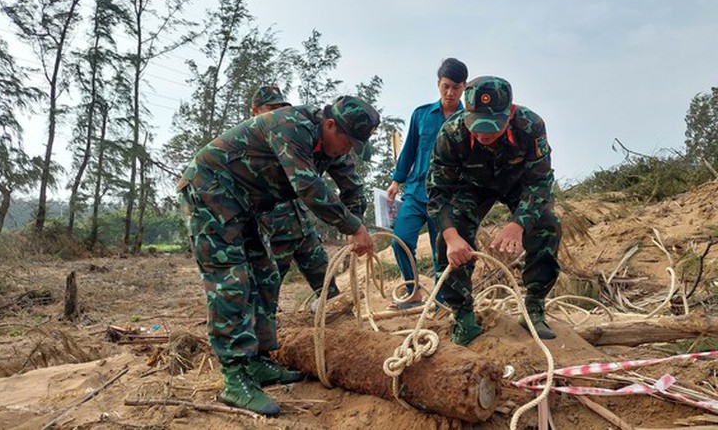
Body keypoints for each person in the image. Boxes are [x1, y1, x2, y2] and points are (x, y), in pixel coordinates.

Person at [177, 96, 379, 415]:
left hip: (249, 204)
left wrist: (357, 219)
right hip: (211, 191)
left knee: (266, 276)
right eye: (347, 142)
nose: (348, 150)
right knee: (231, 281)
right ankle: (234, 378)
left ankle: (257, 360)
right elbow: (308, 186)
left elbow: (352, 187)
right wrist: (352, 227)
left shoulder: (334, 145)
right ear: (329, 125)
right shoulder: (291, 126)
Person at [427, 75, 561, 346]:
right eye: (476, 126)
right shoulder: (451, 134)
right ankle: (463, 316)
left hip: (518, 183)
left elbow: (540, 183)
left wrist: (518, 224)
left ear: (509, 113)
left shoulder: (531, 125)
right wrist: (453, 238)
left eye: (492, 127)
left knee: (547, 224)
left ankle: (534, 307)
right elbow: (437, 192)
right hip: (472, 186)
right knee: (448, 238)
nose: (484, 134)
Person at [250, 86, 347, 308]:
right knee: (267, 289)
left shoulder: (296, 136)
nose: (278, 112)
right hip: (274, 232)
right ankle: (267, 332)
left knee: (327, 285)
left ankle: (336, 328)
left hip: (303, 228)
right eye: (271, 108)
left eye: (281, 107)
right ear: (255, 111)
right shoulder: (253, 146)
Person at [385, 58, 468, 308]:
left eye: (456, 87)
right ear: (438, 84)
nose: (450, 93)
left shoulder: (469, 119)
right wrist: (396, 180)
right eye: (445, 86)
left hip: (446, 197)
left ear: (464, 87)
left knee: (440, 251)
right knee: (399, 240)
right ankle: (413, 292)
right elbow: (409, 149)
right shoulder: (422, 115)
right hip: (416, 193)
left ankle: (441, 303)